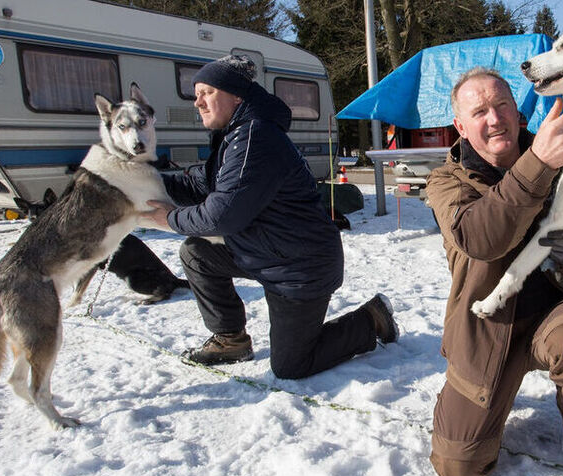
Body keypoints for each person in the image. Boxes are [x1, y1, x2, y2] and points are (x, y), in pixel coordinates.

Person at [143, 55, 397, 378]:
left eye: (206, 92)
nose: (198, 102)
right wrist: (148, 180)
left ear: (236, 95)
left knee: (291, 365)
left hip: (300, 268)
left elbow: (222, 216)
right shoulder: (234, 137)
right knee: (197, 253)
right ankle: (230, 339)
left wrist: (167, 219)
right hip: (267, 254)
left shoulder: (255, 138)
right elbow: (199, 183)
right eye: (197, 94)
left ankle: (371, 319)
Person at [425, 68, 563, 476]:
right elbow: (480, 238)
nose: (494, 118)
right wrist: (539, 164)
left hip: (557, 315)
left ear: (519, 112)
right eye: (479, 111)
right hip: (487, 326)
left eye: (501, 105)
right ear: (460, 126)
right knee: (458, 467)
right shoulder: (446, 181)